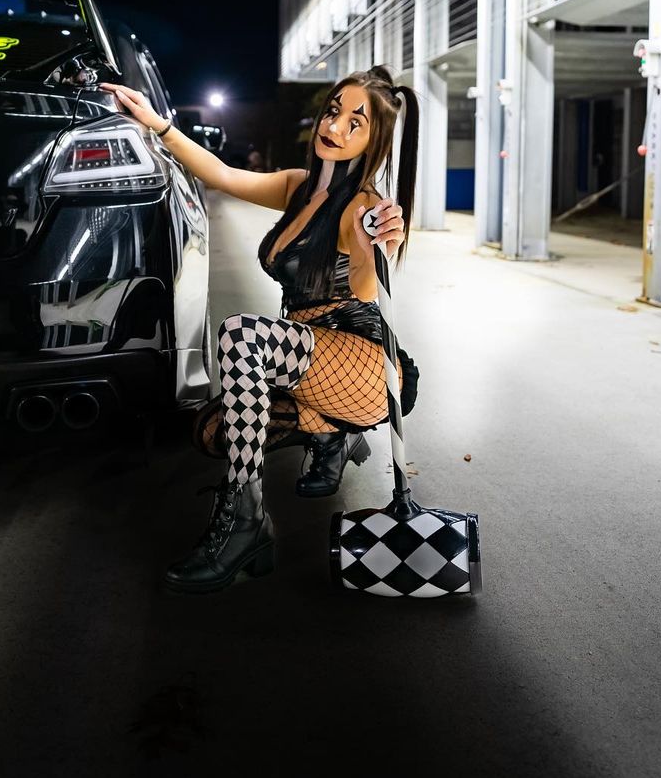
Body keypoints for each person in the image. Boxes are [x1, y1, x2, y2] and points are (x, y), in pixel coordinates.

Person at [97, 65, 420, 594]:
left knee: (242, 334)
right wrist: (156, 122)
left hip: (360, 368)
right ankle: (328, 436)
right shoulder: (297, 188)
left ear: (375, 142)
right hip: (306, 360)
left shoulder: (363, 207)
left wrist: (375, 247)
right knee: (213, 432)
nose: (334, 127)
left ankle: (247, 523)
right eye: (333, 111)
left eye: (355, 123)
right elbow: (222, 174)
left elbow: (364, 290)